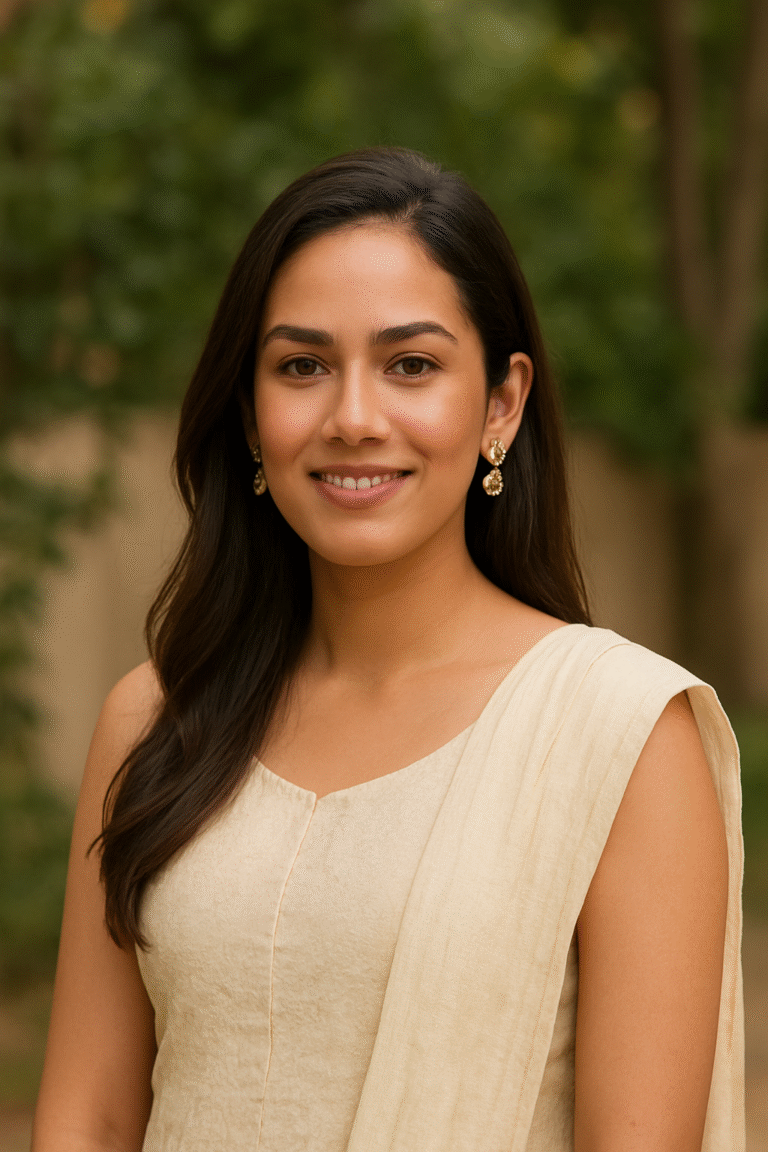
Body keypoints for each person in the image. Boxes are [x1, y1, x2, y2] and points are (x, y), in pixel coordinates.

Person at [32, 147, 744, 1152]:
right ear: (249, 411)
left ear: (502, 402)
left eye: (411, 365)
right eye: (302, 367)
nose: (354, 418)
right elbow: (87, 1120)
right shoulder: (157, 722)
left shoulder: (619, 736)